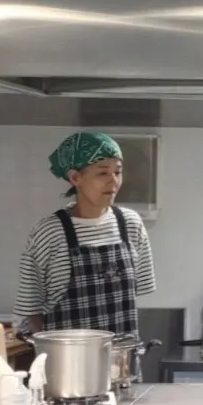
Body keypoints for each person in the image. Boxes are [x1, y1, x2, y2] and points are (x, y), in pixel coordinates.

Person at [16, 131, 155, 337]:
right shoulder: (49, 232)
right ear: (75, 178)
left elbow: (136, 293)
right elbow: (30, 309)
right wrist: (49, 350)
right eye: (103, 173)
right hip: (67, 357)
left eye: (117, 172)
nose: (114, 181)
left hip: (122, 355)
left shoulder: (131, 224)